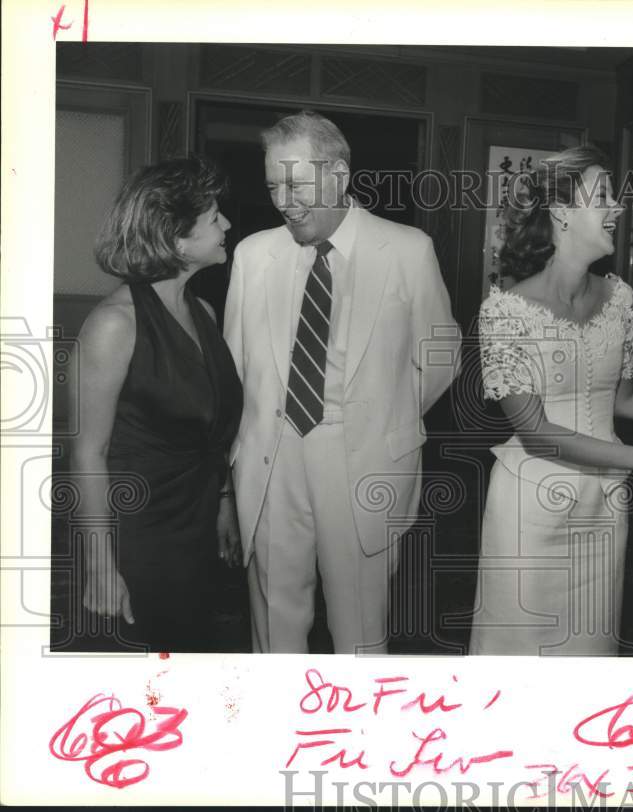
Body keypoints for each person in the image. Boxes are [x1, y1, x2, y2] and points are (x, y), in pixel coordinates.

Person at [473, 145, 633, 656]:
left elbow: (623, 398)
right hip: (532, 502)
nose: (618, 208)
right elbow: (537, 433)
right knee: (523, 649)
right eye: (604, 196)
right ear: (562, 213)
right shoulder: (505, 312)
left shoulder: (621, 298)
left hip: (605, 503)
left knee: (589, 650)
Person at [223, 110, 460, 654]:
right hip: (271, 460)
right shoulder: (253, 255)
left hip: (366, 463)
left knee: (360, 630)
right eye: (272, 185)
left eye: (297, 182)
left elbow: (441, 355)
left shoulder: (407, 250)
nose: (284, 200)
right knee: (274, 624)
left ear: (339, 175)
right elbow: (235, 366)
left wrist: (383, 415)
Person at [71, 155, 244, 652]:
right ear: (176, 241)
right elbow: (87, 454)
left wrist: (224, 504)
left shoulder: (204, 312)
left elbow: (211, 432)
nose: (227, 224)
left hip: (194, 529)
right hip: (136, 537)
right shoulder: (114, 325)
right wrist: (101, 568)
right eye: (214, 219)